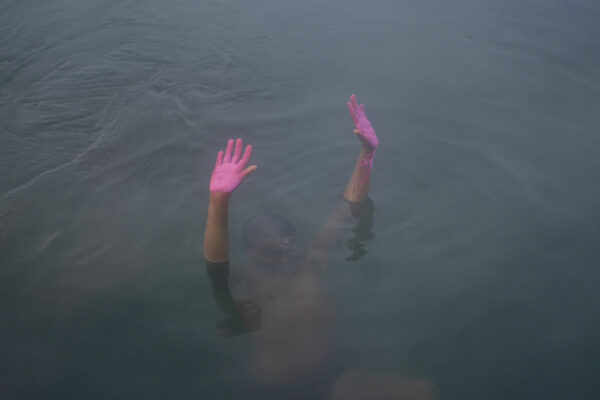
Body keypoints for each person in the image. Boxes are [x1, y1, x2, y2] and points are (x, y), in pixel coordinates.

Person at [203, 95, 437, 399]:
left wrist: (367, 153)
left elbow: (347, 207)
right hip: (273, 390)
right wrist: (218, 201)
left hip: (329, 383)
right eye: (273, 253)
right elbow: (216, 263)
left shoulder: (309, 264)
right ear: (252, 253)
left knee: (424, 392)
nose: (284, 257)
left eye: (288, 248)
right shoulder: (247, 280)